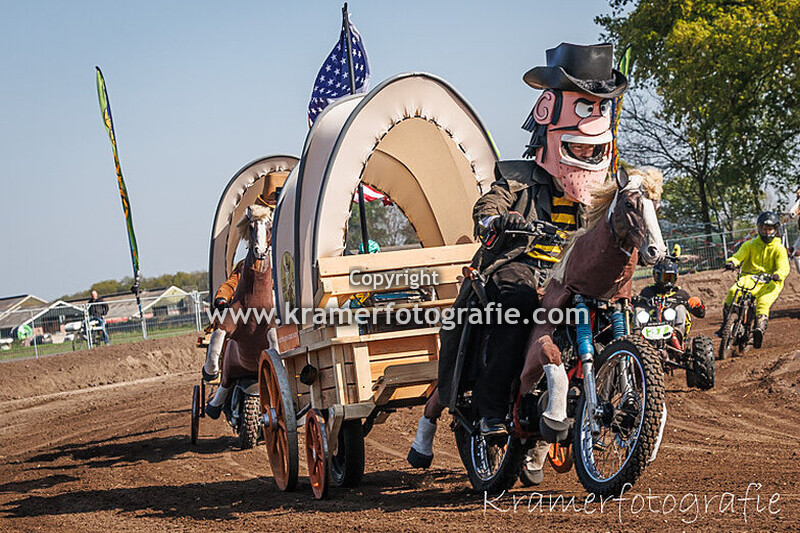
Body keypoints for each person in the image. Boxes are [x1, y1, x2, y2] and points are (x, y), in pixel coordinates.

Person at [408, 43, 628, 480]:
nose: (586, 157)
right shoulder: (517, 175)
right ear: (548, 116)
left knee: (612, 309)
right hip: (516, 266)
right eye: (578, 150)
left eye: (592, 151)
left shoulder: (603, 194)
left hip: (568, 276)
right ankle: (490, 410)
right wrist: (495, 217)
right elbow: (488, 204)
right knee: (518, 307)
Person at [202, 170, 287, 382]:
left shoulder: (284, 262)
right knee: (224, 325)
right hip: (247, 314)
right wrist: (222, 297)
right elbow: (232, 283)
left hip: (276, 312)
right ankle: (215, 368)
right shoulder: (244, 266)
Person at [719, 211, 790, 349]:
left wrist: (778, 274)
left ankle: (759, 329)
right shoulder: (750, 244)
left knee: (763, 302)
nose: (766, 231)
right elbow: (738, 256)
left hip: (770, 282)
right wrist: (732, 262)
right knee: (733, 291)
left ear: (775, 229)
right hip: (749, 277)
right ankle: (726, 323)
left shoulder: (779, 249)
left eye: (769, 229)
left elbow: (784, 267)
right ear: (759, 228)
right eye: (764, 228)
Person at [635, 259, 705, 345]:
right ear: (656, 276)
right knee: (639, 310)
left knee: (681, 308)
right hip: (650, 327)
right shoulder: (648, 292)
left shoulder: (680, 294)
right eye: (664, 278)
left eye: (670, 278)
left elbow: (701, 314)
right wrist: (632, 301)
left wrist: (698, 304)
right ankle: (637, 336)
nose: (667, 281)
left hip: (672, 326)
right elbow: (637, 305)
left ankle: (678, 334)